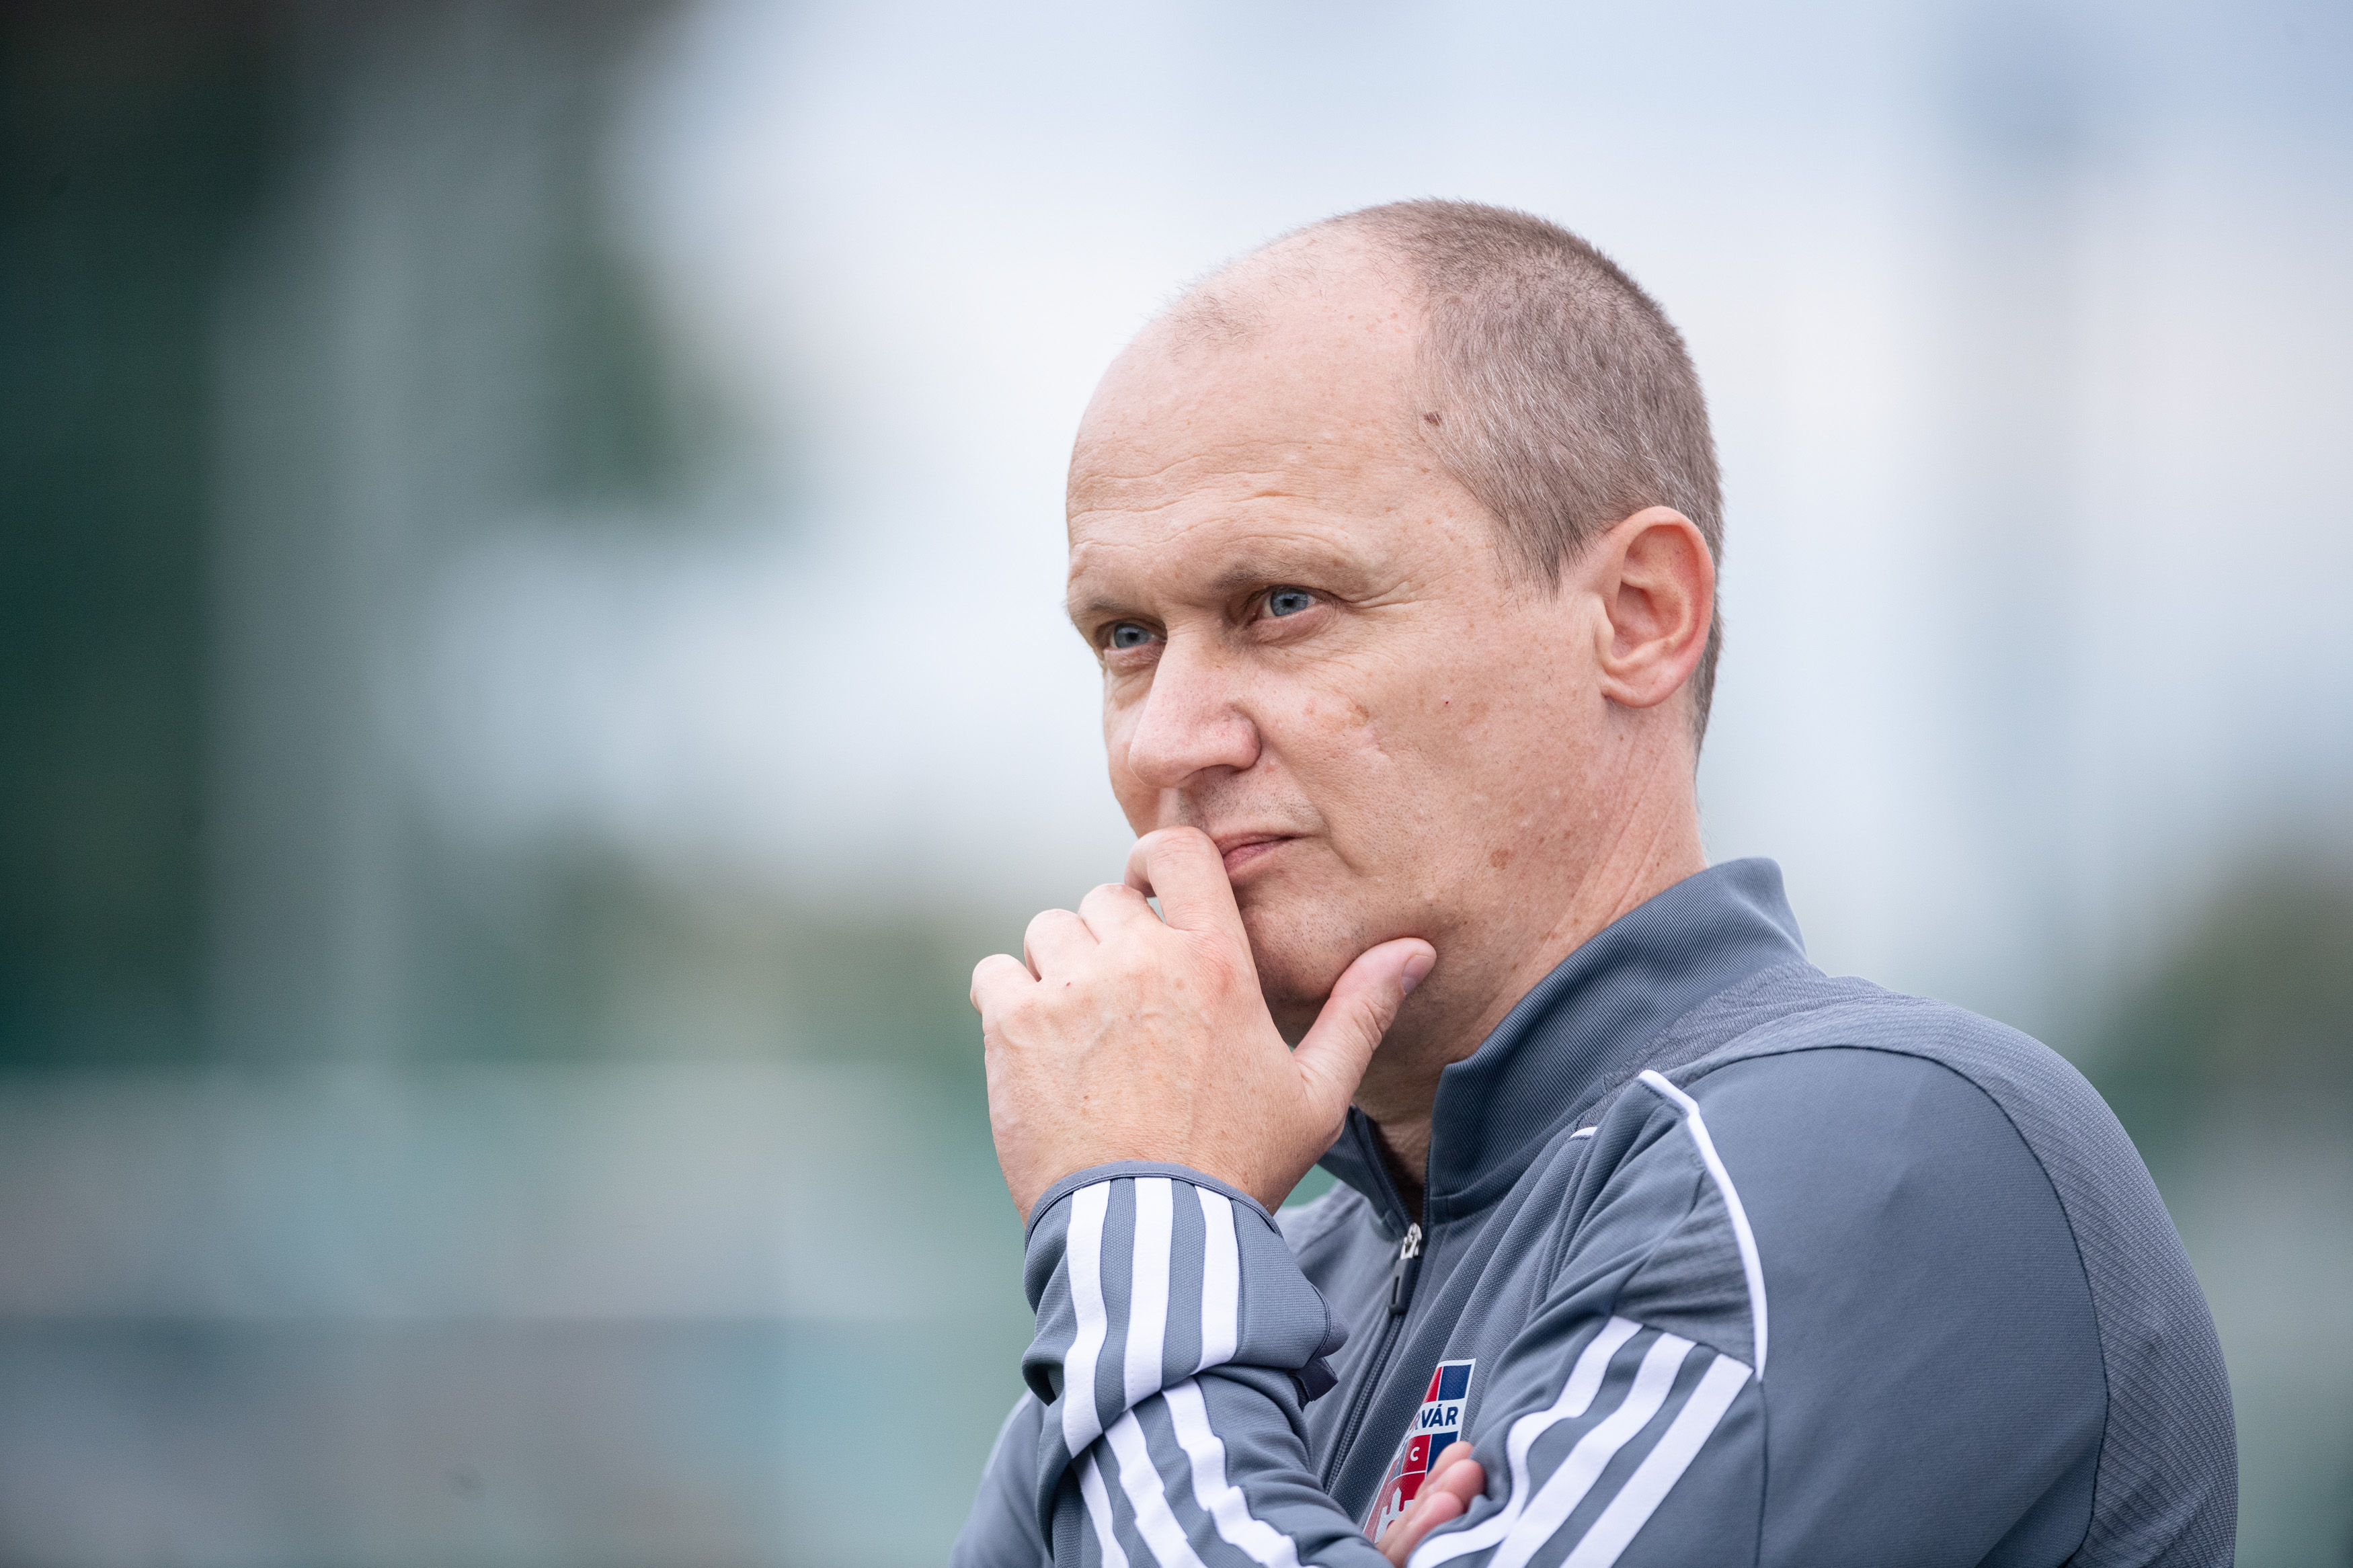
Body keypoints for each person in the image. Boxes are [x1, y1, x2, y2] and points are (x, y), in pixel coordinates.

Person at [952, 200, 2234, 1568]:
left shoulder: (1885, 1159)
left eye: (1282, 603)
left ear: (1638, 615)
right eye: (1126, 636)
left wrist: (1145, 1234)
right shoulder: (1228, 1305)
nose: (1165, 740)